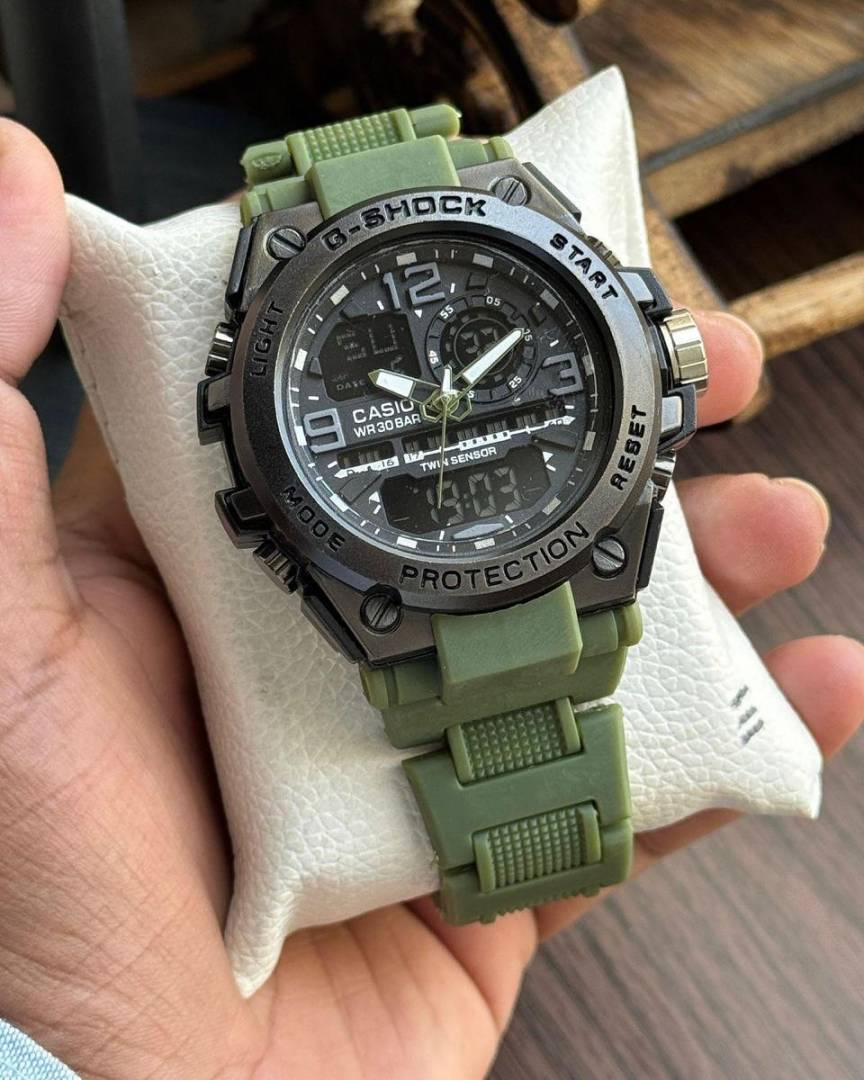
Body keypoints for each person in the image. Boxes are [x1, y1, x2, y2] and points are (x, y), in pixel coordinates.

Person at [0, 116, 860, 1080]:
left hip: (549, 562)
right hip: (394, 604)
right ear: (236, 435)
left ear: (661, 366)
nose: (444, 408)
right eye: (419, 397)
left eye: (469, 382)